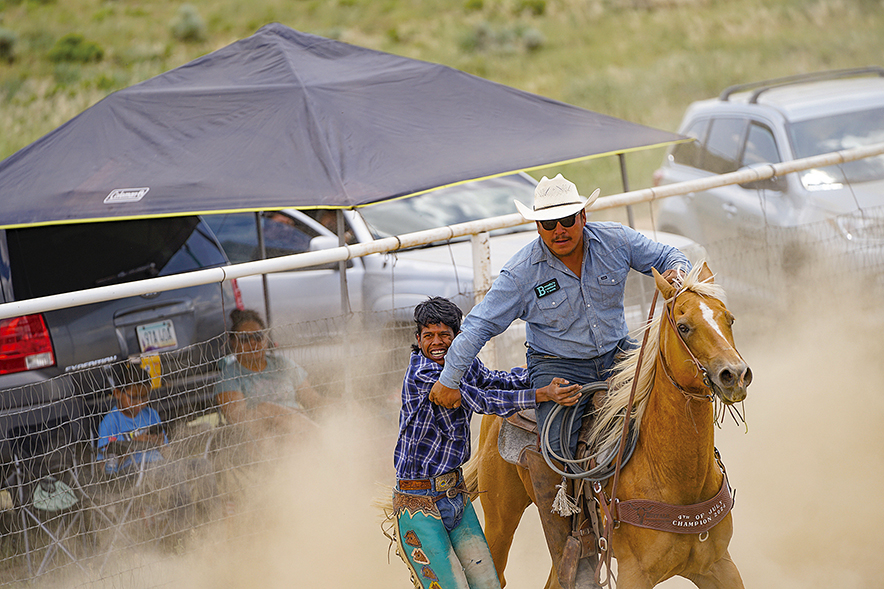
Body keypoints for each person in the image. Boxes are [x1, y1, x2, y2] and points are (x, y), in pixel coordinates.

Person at [428, 174, 689, 588]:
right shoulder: (522, 272)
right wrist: (449, 378)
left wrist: (678, 274)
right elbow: (478, 325)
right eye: (549, 224)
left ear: (583, 215)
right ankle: (574, 551)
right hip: (557, 366)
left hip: (617, 354)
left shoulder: (615, 241)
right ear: (537, 227)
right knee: (557, 447)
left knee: (672, 404)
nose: (559, 230)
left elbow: (669, 255)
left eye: (567, 219)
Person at [392, 296, 581, 589]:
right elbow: (482, 399)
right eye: (428, 336)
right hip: (420, 504)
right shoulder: (423, 374)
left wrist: (541, 375)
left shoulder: (461, 365)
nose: (436, 342)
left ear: (458, 338)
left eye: (444, 335)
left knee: (488, 585)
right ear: (418, 339)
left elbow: (496, 381)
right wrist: (541, 394)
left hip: (454, 495)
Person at [98, 360, 214, 533]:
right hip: (131, 474)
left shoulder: (150, 414)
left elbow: (167, 454)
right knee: (173, 475)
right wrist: (135, 444)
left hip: (161, 466)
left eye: (145, 397)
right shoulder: (110, 422)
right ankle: (182, 534)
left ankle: (214, 523)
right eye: (133, 397)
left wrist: (160, 443)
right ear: (116, 393)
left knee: (202, 466)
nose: (139, 404)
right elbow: (106, 468)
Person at [214, 308, 323, 438]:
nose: (253, 342)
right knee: (265, 408)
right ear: (233, 343)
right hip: (263, 437)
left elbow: (314, 401)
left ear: (265, 339)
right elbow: (240, 420)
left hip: (299, 430)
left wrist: (343, 404)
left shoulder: (282, 364)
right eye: (244, 339)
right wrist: (278, 415)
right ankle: (323, 438)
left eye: (258, 336)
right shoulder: (229, 376)